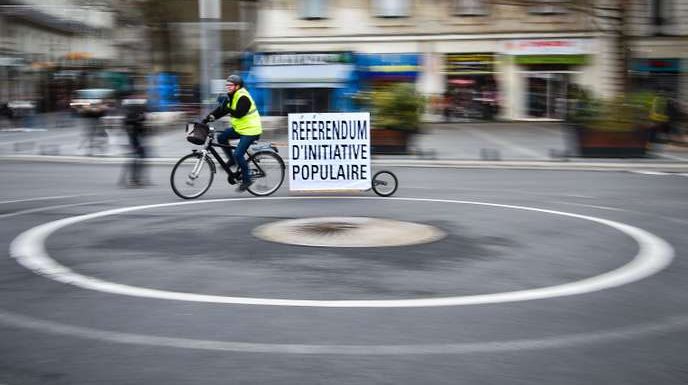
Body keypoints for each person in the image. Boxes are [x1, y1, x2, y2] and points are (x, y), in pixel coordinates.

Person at [203, 74, 263, 192]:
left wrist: (226, 108)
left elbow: (239, 113)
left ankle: (247, 180)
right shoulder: (231, 96)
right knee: (221, 138)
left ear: (237, 86)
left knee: (238, 154)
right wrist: (206, 119)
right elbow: (221, 110)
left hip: (251, 130)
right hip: (240, 128)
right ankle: (233, 161)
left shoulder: (243, 96)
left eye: (231, 85)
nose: (228, 87)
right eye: (227, 85)